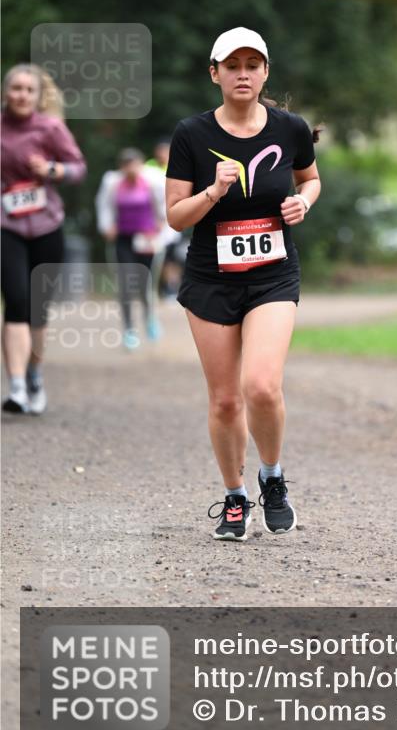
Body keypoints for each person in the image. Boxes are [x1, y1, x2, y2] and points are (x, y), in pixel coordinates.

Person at [165, 27, 322, 541]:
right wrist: (213, 192)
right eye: (232, 66)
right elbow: (174, 216)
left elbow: (310, 178)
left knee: (260, 385)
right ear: (215, 74)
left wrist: (305, 202)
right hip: (211, 277)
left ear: (265, 73)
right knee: (226, 401)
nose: (243, 74)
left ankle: (272, 479)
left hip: (273, 274)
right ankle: (235, 497)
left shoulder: (289, 128)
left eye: (253, 65)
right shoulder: (192, 135)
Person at [1, 63, 87, 413]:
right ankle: (17, 387)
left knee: (38, 309)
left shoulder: (50, 128)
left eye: (28, 90)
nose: (21, 95)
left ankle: (35, 373)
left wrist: (52, 170)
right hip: (6, 226)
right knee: (17, 302)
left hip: (47, 226)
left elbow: (78, 167)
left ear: (38, 96)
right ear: (6, 92)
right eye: (15, 88)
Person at [95, 148, 166, 349]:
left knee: (145, 285)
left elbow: (162, 205)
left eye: (134, 164)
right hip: (124, 240)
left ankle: (150, 318)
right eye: (126, 165)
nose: (131, 169)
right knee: (125, 286)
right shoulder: (113, 183)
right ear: (121, 167)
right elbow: (104, 206)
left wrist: (160, 224)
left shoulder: (152, 181)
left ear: (141, 164)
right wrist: (107, 226)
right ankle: (129, 329)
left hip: (147, 239)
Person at [146, 138, 185, 300]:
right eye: (160, 151)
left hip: (176, 217)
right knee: (158, 256)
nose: (162, 154)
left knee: (173, 256)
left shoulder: (178, 166)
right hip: (154, 220)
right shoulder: (148, 167)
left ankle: (171, 287)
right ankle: (160, 288)